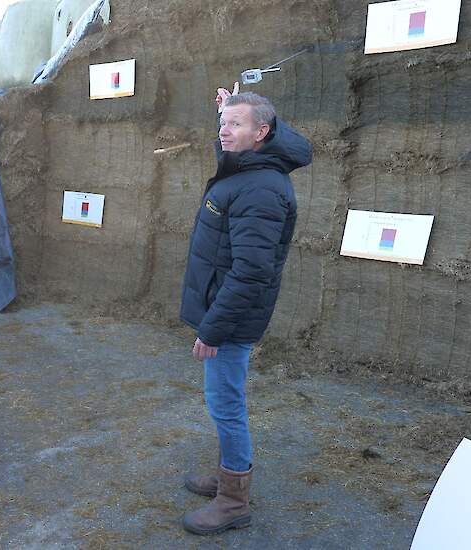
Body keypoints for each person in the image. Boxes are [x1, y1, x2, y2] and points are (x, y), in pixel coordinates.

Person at [179, 85, 312, 536]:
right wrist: (233, 110)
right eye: (222, 122)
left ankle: (233, 500)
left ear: (263, 132)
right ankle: (227, 475)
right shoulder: (247, 167)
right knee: (223, 402)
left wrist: (212, 330)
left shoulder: (260, 187)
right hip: (225, 311)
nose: (223, 130)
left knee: (226, 405)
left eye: (235, 124)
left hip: (231, 319)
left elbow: (251, 271)